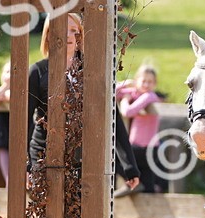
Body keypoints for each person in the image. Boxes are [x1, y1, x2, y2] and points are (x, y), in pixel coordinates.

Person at [28, 12, 139, 189]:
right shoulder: (37, 71)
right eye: (63, 30)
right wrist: (27, 166)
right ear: (48, 34)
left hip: (84, 158)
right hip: (44, 154)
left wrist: (129, 166)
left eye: (74, 31)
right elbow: (25, 122)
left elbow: (112, 117)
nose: (69, 36)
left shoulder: (93, 71)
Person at [118, 62, 165, 193]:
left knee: (117, 158)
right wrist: (126, 83)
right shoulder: (137, 94)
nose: (146, 84)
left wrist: (125, 100)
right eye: (143, 81)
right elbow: (113, 91)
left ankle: (129, 184)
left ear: (155, 84)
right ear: (137, 81)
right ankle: (149, 207)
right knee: (146, 182)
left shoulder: (149, 96)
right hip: (143, 147)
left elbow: (127, 112)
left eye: (150, 82)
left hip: (143, 147)